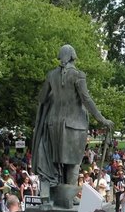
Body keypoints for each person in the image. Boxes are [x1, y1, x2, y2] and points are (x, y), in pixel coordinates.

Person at [32, 45, 114, 200]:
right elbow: (86, 99)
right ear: (71, 56)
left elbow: (42, 98)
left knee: (57, 161)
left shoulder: (51, 75)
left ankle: (61, 195)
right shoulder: (78, 75)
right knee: (73, 162)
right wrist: (101, 119)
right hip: (74, 124)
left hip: (52, 123)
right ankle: (68, 197)